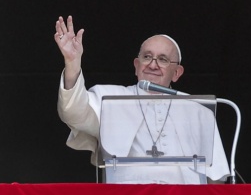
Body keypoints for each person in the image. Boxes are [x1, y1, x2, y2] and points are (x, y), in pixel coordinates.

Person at [55, 15, 230, 184]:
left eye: (163, 59)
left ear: (176, 73)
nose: (153, 65)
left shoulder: (198, 111)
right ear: (136, 66)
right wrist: (72, 63)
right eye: (147, 57)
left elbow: (216, 177)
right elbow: (74, 112)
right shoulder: (110, 98)